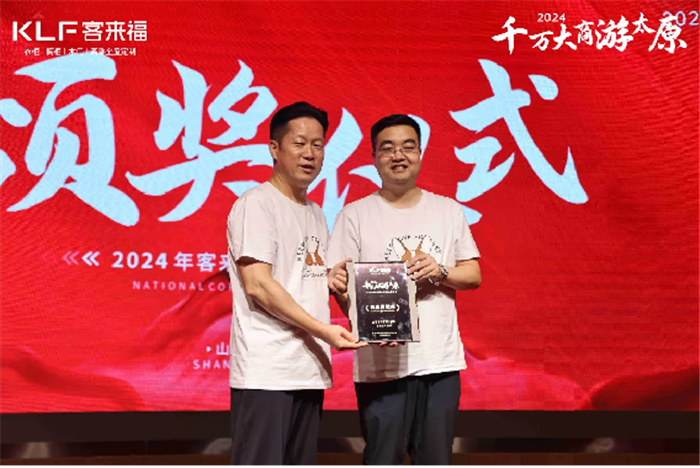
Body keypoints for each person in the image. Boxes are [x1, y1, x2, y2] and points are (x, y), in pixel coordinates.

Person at [327, 114, 482, 464]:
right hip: (380, 365)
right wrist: (363, 320)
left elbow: (473, 275)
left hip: (439, 362)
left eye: (408, 147)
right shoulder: (354, 215)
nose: (398, 155)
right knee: (382, 458)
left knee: (436, 458)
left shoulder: (447, 210)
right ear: (374, 157)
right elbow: (341, 286)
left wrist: (441, 271)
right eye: (388, 148)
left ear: (420, 153)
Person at [226, 101, 366, 465]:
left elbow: (301, 275)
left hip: (308, 370)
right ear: (274, 149)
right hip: (267, 373)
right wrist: (323, 330)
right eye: (299, 143)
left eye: (318, 145)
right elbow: (258, 285)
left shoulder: (315, 212)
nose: (310, 154)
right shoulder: (257, 204)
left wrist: (330, 282)